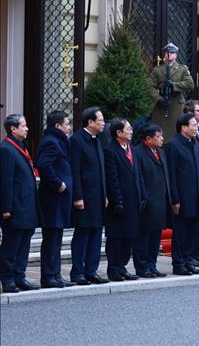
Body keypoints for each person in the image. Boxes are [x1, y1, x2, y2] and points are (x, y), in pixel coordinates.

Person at [69, 107, 109, 285]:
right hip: (84, 196)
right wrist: (78, 196)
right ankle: (77, 272)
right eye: (100, 120)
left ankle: (91, 270)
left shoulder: (97, 140)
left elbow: (101, 170)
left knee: (96, 234)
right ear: (90, 122)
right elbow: (75, 170)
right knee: (82, 234)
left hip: (98, 196)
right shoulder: (77, 140)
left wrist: (105, 194)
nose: (103, 123)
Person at [0, 114, 40, 293]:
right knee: (11, 246)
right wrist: (6, 207)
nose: (27, 128)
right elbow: (5, 181)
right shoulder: (7, 149)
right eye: (23, 126)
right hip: (15, 208)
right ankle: (7, 279)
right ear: (13, 129)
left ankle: (19, 276)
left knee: (23, 245)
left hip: (27, 207)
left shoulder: (21, 147)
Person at [104, 119, 147, 281]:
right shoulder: (110, 151)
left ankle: (122, 266)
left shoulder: (131, 149)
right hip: (120, 202)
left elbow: (138, 175)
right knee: (116, 237)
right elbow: (112, 179)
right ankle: (113, 268)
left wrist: (143, 195)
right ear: (118, 133)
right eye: (128, 129)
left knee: (130, 236)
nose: (131, 131)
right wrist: (117, 201)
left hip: (134, 200)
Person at [36, 110, 74, 288]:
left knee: (56, 238)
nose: (68, 127)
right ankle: (48, 276)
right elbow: (44, 165)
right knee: (51, 238)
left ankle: (55, 274)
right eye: (67, 124)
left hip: (59, 199)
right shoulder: (50, 142)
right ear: (57, 125)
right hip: (53, 199)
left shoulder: (59, 141)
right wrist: (59, 184)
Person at [165, 113, 199, 275]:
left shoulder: (195, 144)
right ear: (183, 127)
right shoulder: (173, 145)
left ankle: (189, 260)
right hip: (182, 197)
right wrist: (174, 199)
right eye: (194, 125)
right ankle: (179, 263)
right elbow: (171, 175)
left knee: (194, 231)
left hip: (197, 196)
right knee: (181, 232)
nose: (197, 128)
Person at [133, 124, 170, 278]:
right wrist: (144, 198)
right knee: (144, 238)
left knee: (155, 237)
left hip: (160, 201)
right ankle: (142, 267)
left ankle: (152, 265)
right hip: (147, 201)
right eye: (158, 136)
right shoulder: (138, 153)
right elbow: (138, 178)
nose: (162, 139)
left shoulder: (160, 152)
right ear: (148, 139)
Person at [149, 43, 195, 140]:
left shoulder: (182, 69)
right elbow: (150, 87)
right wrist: (158, 99)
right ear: (164, 55)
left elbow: (190, 84)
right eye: (167, 52)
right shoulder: (157, 70)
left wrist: (173, 85)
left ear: (176, 55)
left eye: (172, 52)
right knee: (161, 131)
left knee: (176, 130)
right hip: (162, 105)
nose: (169, 54)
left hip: (176, 104)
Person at [183, 99, 199, 266]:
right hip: (191, 184)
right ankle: (189, 254)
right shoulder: (185, 134)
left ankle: (197, 253)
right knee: (191, 225)